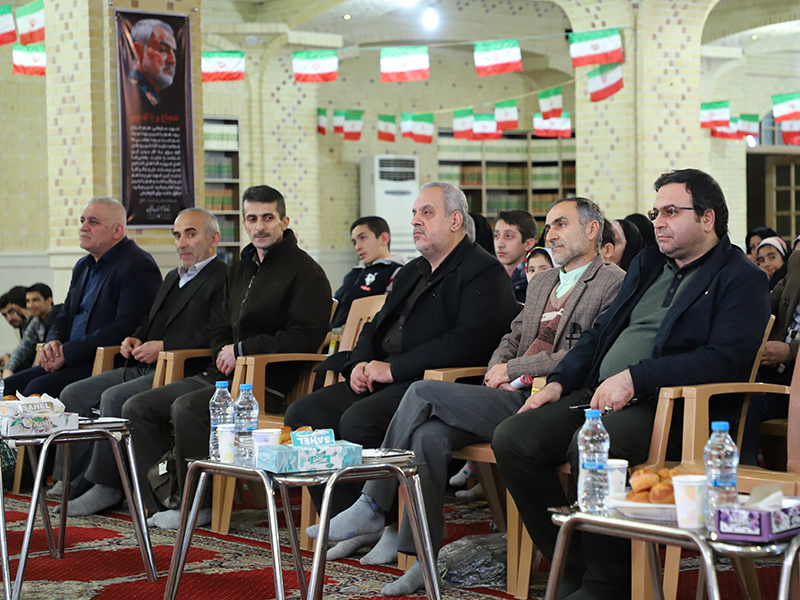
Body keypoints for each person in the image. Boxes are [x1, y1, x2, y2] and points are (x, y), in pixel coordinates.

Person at [308, 198, 626, 596]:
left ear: (593, 230)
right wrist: (498, 369)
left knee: (422, 391)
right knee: (427, 437)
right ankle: (423, 558)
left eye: (561, 224)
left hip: (549, 400)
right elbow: (511, 337)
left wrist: (513, 371)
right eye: (548, 227)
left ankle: (372, 505)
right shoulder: (543, 281)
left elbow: (587, 353)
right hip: (505, 394)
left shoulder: (612, 281)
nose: (551, 234)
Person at [491, 168, 770, 600]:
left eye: (671, 212)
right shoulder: (648, 264)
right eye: (656, 213)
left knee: (591, 445)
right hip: (600, 393)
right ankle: (575, 562)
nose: (658, 222)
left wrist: (637, 377)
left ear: (708, 218)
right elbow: (601, 332)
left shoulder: (741, 277)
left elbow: (725, 360)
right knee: (513, 438)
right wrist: (558, 383)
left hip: (675, 407)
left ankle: (607, 583)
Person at [284, 182, 518, 516]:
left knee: (359, 421)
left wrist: (393, 369)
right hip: (383, 377)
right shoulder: (411, 271)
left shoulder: (484, 271)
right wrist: (359, 364)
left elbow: (470, 343)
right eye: (414, 213)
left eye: (427, 213)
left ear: (455, 221)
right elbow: (375, 326)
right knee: (304, 414)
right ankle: (341, 518)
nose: (415, 221)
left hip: (433, 384)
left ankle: (386, 519)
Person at [122, 185, 332, 528]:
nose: (260, 226)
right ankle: (163, 500)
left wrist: (243, 350)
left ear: (284, 221)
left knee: (188, 408)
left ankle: (198, 504)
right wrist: (224, 349)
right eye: (252, 218)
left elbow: (305, 336)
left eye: (268, 218)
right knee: (138, 408)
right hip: (222, 375)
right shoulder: (240, 269)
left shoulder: (306, 272)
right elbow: (220, 324)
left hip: (267, 384)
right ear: (244, 223)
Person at [52, 208, 228, 514]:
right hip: (146, 364)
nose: (182, 243)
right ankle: (70, 481)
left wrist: (164, 347)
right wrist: (135, 338)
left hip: (182, 368)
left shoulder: (224, 278)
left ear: (214, 238)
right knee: (74, 393)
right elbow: (151, 320)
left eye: (191, 234)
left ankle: (107, 486)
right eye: (177, 235)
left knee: (114, 398)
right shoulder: (174, 276)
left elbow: (216, 331)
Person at [4, 198, 162, 398]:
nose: (83, 228)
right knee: (6, 386)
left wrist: (67, 353)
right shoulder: (83, 265)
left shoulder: (137, 265)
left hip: (105, 361)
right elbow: (64, 314)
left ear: (117, 231)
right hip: (70, 357)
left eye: (93, 222)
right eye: (82, 221)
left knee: (36, 390)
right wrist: (54, 342)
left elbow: (124, 328)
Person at [741, 249, 800, 465]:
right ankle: (744, 471)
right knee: (738, 396)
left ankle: (746, 471)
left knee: (751, 403)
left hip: (794, 378)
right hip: (778, 376)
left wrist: (790, 351)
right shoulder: (797, 262)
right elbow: (767, 305)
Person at [331, 216, 405, 329]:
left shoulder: (395, 272)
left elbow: (386, 316)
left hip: (359, 336)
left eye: (363, 238)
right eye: (354, 242)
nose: (357, 247)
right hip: (332, 335)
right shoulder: (354, 274)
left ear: (384, 239)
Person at [3, 284, 63, 378]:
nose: (30, 305)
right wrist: (7, 370)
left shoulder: (60, 317)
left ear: (48, 300)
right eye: (28, 301)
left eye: (35, 300)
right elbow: (22, 348)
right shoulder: (36, 321)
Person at [128, 19, 176, 107]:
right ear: (138, 51)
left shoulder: (151, 92)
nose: (172, 60)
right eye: (163, 50)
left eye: (174, 53)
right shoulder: (132, 91)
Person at [494, 210, 537, 302]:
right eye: (496, 236)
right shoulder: (487, 275)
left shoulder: (535, 280)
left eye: (509, 236)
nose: (499, 244)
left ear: (528, 244)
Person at [0, 286, 31, 366]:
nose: (9, 319)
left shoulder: (34, 325)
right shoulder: (19, 329)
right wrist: (9, 357)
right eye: (5, 315)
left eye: (11, 311)